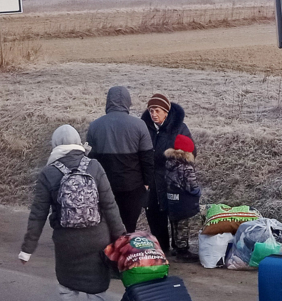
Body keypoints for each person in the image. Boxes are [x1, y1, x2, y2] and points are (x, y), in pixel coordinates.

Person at [19, 125, 125, 301]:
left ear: (56, 144)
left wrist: (27, 249)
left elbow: (37, 214)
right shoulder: (95, 166)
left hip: (67, 243)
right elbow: (110, 207)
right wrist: (121, 241)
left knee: (68, 289)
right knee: (97, 292)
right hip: (98, 239)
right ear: (78, 142)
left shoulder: (49, 173)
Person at [86, 86, 154, 233]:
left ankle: (108, 253)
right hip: (133, 186)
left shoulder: (95, 126)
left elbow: (90, 160)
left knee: (106, 225)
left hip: (104, 186)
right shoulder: (139, 125)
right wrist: (148, 184)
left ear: (108, 101)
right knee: (128, 227)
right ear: (127, 101)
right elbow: (147, 158)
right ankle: (125, 253)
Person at [140, 93, 193, 253]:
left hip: (173, 180)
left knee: (177, 214)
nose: (153, 114)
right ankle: (161, 248)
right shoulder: (144, 128)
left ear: (166, 112)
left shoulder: (180, 128)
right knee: (155, 214)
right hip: (151, 179)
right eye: (151, 111)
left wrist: (173, 159)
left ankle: (181, 248)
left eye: (157, 110)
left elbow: (190, 153)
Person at [164, 133, 201, 263]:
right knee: (183, 225)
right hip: (184, 200)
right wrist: (197, 192)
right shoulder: (186, 166)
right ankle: (183, 251)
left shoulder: (169, 163)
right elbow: (192, 185)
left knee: (174, 223)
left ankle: (176, 247)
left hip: (172, 198)